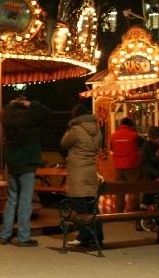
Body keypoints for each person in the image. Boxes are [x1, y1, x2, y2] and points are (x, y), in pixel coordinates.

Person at [0, 94, 51, 246]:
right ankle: (23, 237)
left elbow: (4, 111)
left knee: (12, 199)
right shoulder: (31, 115)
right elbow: (47, 112)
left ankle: (5, 235)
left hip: (12, 162)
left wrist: (11, 104)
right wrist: (32, 103)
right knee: (25, 200)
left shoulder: (6, 116)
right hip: (27, 161)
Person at [60, 104, 104, 247]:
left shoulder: (75, 130)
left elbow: (63, 143)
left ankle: (84, 236)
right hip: (91, 170)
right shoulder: (97, 130)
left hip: (77, 171)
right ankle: (98, 236)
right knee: (92, 204)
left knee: (80, 206)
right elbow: (97, 148)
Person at [109, 117, 142, 212]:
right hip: (132, 167)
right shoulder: (134, 135)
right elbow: (141, 146)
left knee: (119, 190)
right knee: (133, 189)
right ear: (130, 125)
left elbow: (111, 149)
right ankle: (132, 210)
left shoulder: (113, 136)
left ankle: (118, 211)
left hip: (118, 167)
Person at [140, 126, 159, 209]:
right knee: (150, 192)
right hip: (151, 175)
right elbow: (145, 163)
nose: (156, 140)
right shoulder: (146, 146)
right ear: (150, 138)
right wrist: (154, 172)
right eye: (154, 138)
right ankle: (144, 214)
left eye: (158, 138)